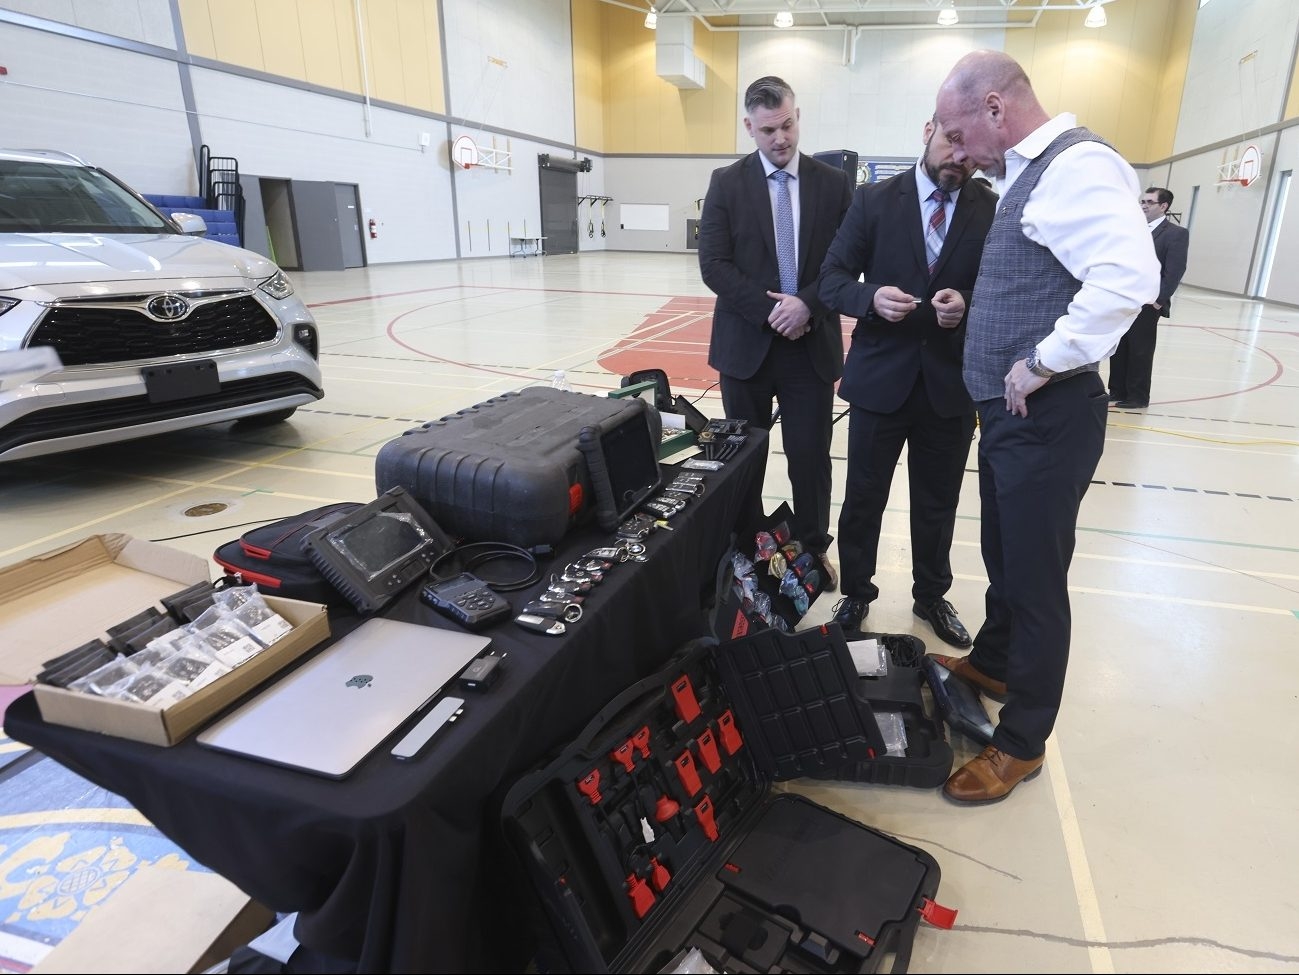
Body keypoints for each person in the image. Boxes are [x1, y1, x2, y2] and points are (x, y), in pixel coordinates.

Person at [931, 50, 1159, 804]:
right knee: (1004, 554)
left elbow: (1127, 278)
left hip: (1044, 416)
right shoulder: (1027, 176)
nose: (955, 152)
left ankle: (1021, 740)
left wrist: (1043, 359)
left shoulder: (1074, 166)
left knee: (1033, 582)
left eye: (959, 133)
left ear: (995, 107)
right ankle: (995, 661)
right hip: (1008, 421)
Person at [818, 117, 996, 648]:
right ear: (927, 131)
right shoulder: (873, 201)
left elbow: (1000, 288)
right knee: (864, 494)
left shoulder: (988, 208)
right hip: (880, 381)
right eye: (951, 142)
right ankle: (856, 590)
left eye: (971, 152)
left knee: (938, 499)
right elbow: (832, 279)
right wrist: (869, 299)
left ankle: (931, 595)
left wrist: (968, 306)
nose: (959, 159)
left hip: (950, 384)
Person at [699, 76, 854, 587]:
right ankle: (748, 548)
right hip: (747, 346)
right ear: (750, 127)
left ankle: (813, 550)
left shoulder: (832, 184)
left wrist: (805, 304)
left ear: (797, 115)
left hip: (809, 348)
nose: (780, 138)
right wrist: (772, 312)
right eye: (768, 130)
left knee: (810, 461)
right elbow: (714, 265)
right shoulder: (726, 182)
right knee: (744, 460)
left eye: (787, 125)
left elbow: (847, 261)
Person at [1108, 187, 1190, 408]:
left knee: (1140, 350)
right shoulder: (1132, 229)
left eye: (1149, 202)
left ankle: (1137, 396)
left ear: (1163, 206)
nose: (1143, 205)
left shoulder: (1175, 234)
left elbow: (1175, 270)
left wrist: (1159, 300)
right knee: (1119, 347)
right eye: (1142, 201)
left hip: (1148, 302)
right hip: (1124, 298)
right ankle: (1116, 391)